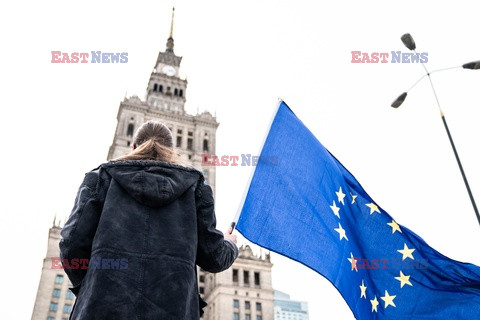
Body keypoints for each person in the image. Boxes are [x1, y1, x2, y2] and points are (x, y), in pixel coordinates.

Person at [59, 120, 238, 319]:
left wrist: (94, 284)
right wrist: (230, 244)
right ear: (172, 151)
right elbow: (214, 257)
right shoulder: (197, 188)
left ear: (133, 148)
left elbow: (70, 246)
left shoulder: (100, 179)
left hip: (101, 310)